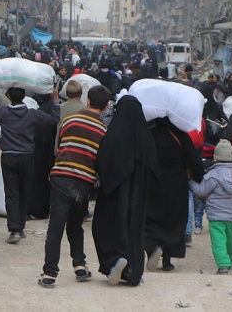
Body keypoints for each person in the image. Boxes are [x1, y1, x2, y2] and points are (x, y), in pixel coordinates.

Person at [38, 85, 111, 289]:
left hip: (61, 177)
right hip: (83, 183)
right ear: (105, 107)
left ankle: (49, 273)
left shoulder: (69, 121)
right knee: (75, 224)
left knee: (56, 226)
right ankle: (79, 265)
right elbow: (100, 160)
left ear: (87, 101)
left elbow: (60, 146)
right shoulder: (103, 130)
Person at [0, 80, 60, 244]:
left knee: (12, 194)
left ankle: (15, 229)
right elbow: (54, 120)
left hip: (9, 157)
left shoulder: (2, 112)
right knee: (24, 192)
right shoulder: (32, 114)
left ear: (8, 96)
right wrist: (55, 99)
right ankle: (20, 227)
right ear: (24, 96)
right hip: (28, 157)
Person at [92, 95, 159, 286]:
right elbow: (154, 169)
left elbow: (101, 162)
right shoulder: (146, 139)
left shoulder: (113, 135)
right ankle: (134, 271)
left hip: (114, 194)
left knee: (105, 227)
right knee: (134, 230)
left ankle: (114, 261)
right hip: (139, 196)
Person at [145, 117, 204, 271]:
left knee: (151, 216)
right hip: (176, 182)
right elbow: (195, 159)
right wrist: (198, 177)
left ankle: (152, 248)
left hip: (152, 180)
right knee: (173, 220)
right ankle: (167, 260)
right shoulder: (180, 136)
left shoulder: (148, 134)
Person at [189, 140, 232, 274]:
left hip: (216, 215)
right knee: (230, 238)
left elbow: (200, 191)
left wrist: (190, 182)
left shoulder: (213, 176)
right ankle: (230, 259)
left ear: (216, 157)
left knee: (218, 240)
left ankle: (223, 264)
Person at [28, 92, 59, 219]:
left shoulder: (38, 111)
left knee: (37, 181)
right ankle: (42, 210)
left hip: (37, 150)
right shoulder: (52, 109)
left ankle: (35, 209)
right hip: (47, 150)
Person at [54, 80, 85, 153]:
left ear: (67, 94)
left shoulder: (58, 107)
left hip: (60, 146)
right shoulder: (82, 108)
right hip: (74, 148)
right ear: (80, 93)